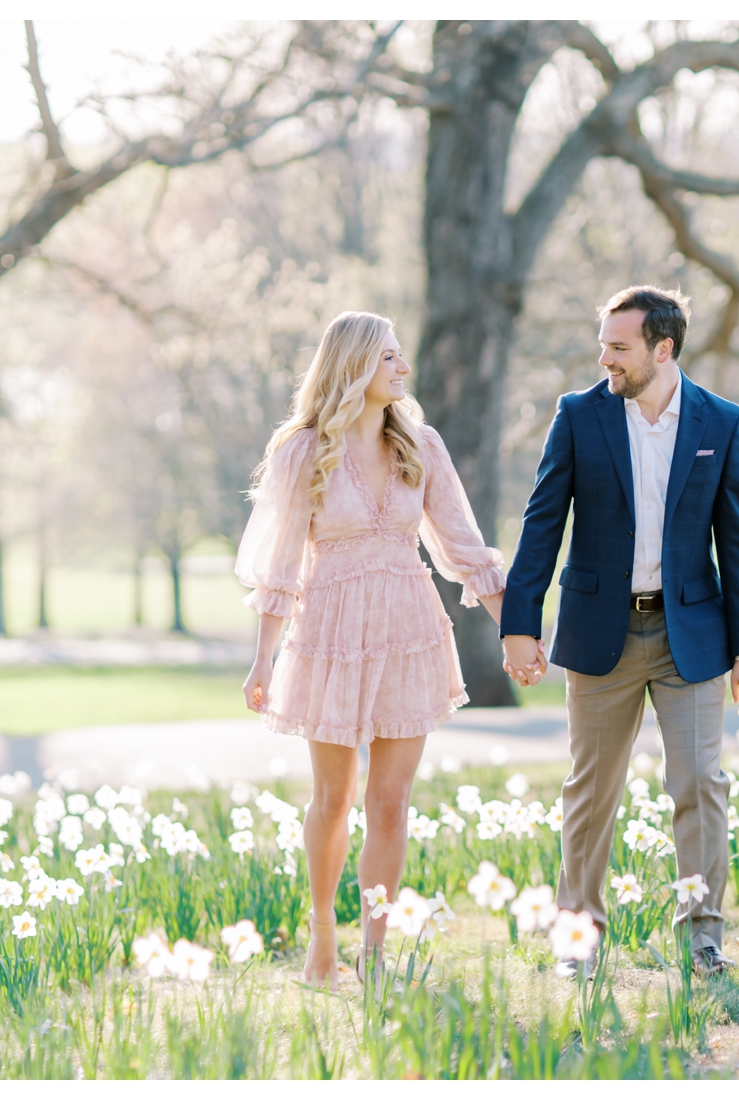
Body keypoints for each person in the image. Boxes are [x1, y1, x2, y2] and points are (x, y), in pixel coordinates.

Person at [236, 311, 525, 989]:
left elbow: (462, 546)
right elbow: (279, 562)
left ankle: (375, 950)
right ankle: (322, 935)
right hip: (329, 635)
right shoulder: (302, 451)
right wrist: (262, 657)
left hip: (407, 632)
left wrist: (514, 632)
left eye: (400, 357)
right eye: (389, 358)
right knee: (334, 798)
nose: (403, 368)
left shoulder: (420, 445)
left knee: (390, 802)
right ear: (355, 367)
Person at [500, 285, 739, 976]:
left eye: (618, 348)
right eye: (603, 345)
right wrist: (519, 625)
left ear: (663, 348)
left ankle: (702, 934)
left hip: (693, 637)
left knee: (701, 784)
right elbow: (542, 523)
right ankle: (578, 936)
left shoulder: (720, 421)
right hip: (599, 633)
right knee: (591, 789)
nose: (604, 359)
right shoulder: (578, 415)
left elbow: (737, 540)